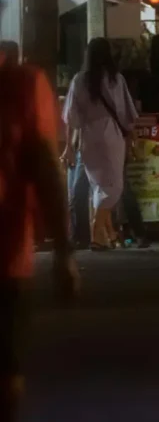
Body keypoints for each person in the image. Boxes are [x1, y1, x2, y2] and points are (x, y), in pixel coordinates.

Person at [0, 45, 79, 421]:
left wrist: (64, 252)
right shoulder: (23, 85)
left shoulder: (20, 85)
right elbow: (47, 169)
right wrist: (63, 253)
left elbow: (46, 168)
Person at [61, 38, 138, 250]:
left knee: (97, 185)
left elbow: (70, 116)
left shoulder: (78, 80)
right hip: (110, 132)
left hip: (87, 134)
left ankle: (105, 236)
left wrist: (68, 145)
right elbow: (125, 113)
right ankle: (97, 231)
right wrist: (131, 138)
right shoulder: (115, 79)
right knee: (114, 184)